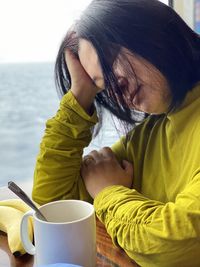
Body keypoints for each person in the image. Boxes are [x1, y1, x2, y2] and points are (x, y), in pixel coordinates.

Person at [32, 0, 200, 266]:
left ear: (149, 30)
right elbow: (55, 207)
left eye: (110, 60)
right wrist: (80, 96)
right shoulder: (150, 133)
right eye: (100, 86)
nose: (113, 88)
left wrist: (108, 190)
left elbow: (177, 245)